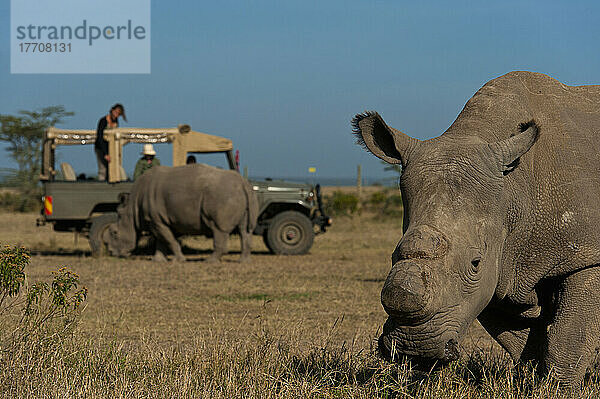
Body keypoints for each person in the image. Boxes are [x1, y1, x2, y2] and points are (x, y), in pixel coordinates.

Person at [95, 104, 126, 181]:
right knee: (103, 169)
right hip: (101, 148)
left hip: (111, 148)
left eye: (118, 114)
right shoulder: (103, 121)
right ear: (112, 110)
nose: (116, 115)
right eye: (116, 112)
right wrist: (105, 153)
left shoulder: (116, 121)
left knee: (111, 167)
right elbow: (99, 137)